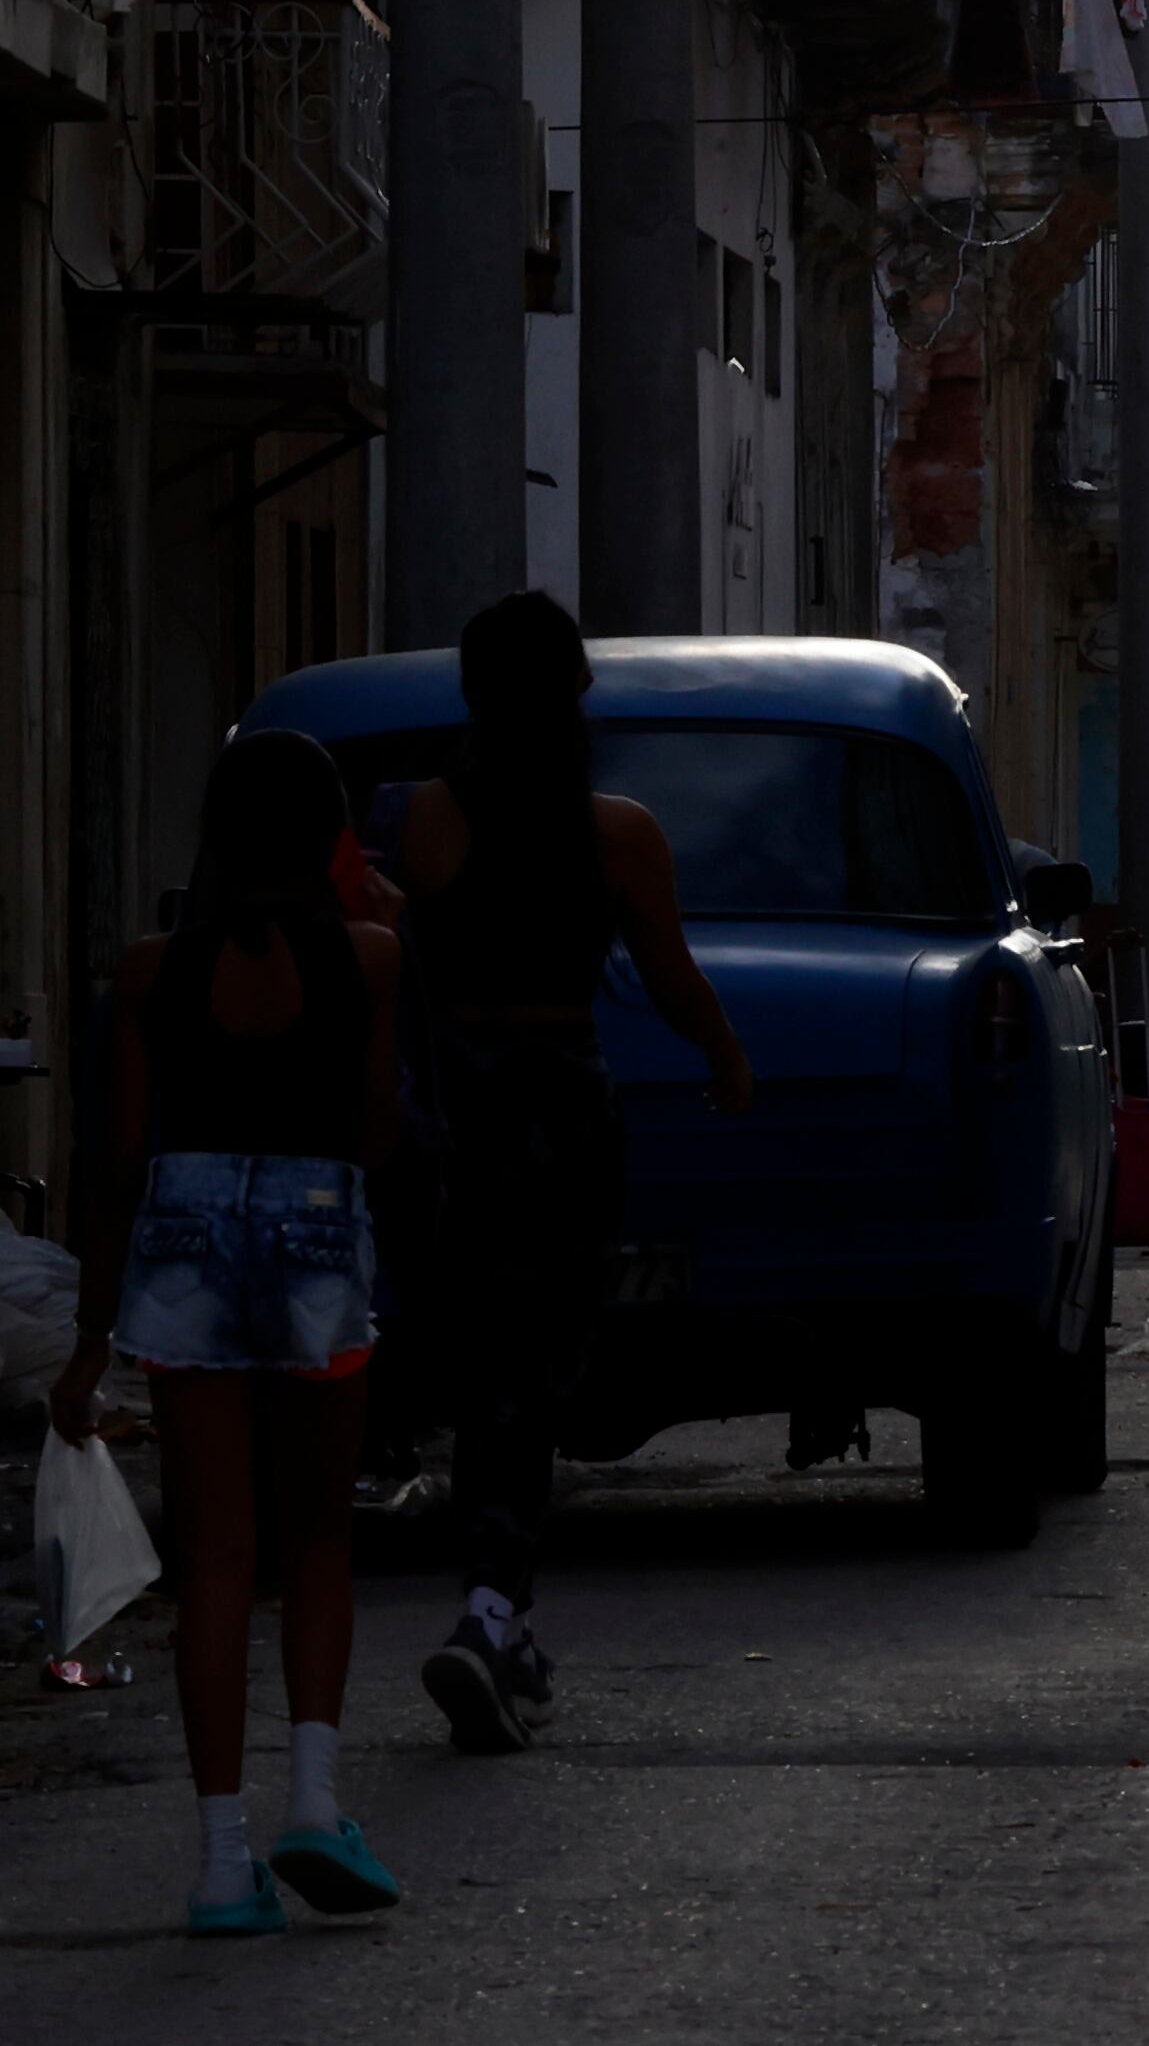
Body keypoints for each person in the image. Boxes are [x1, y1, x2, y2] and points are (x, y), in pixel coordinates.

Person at [54, 731, 411, 1933]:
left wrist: (90, 1337)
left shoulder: (149, 972)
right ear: (329, 838)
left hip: (185, 1243)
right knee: (317, 1540)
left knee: (213, 1555)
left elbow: (118, 1164)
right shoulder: (371, 958)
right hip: (316, 1238)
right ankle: (314, 1801)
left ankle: (220, 1863)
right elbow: (377, 1132)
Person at [399, 591, 756, 1755]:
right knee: (535, 1375)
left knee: (487, 1375)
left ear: (473, 694)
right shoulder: (619, 835)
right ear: (575, 692)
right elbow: (672, 978)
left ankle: (499, 1614)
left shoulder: (432, 819)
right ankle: (493, 1613)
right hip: (564, 1119)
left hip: (464, 1123)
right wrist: (726, 1058)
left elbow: (412, 965)